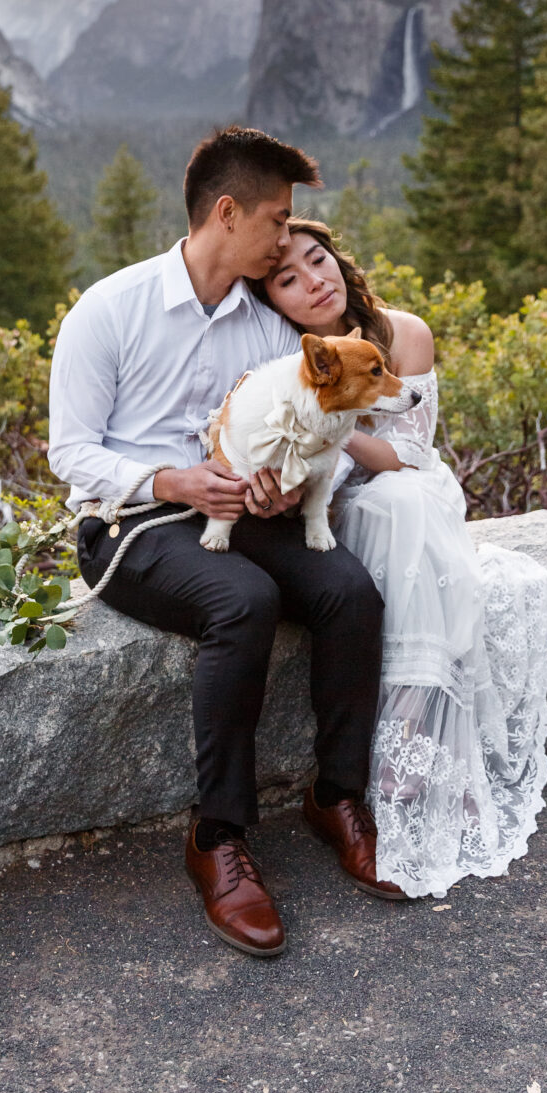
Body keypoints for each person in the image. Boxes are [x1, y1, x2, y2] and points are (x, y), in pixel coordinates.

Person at [48, 129, 397, 959]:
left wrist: (282, 486)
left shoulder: (271, 333)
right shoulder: (109, 308)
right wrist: (172, 479)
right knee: (243, 600)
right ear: (226, 212)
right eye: (277, 221)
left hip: (246, 510)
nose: (287, 240)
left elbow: (314, 436)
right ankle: (219, 840)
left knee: (348, 593)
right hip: (130, 522)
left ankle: (336, 796)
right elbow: (71, 452)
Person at [256, 219, 547, 900]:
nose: (314, 280)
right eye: (288, 279)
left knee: (402, 504)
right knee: (396, 513)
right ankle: (405, 767)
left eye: (317, 259)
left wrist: (332, 413)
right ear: (274, 301)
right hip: (326, 507)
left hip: (402, 490)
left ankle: (426, 767)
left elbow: (405, 454)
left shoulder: (402, 333)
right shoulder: (277, 357)